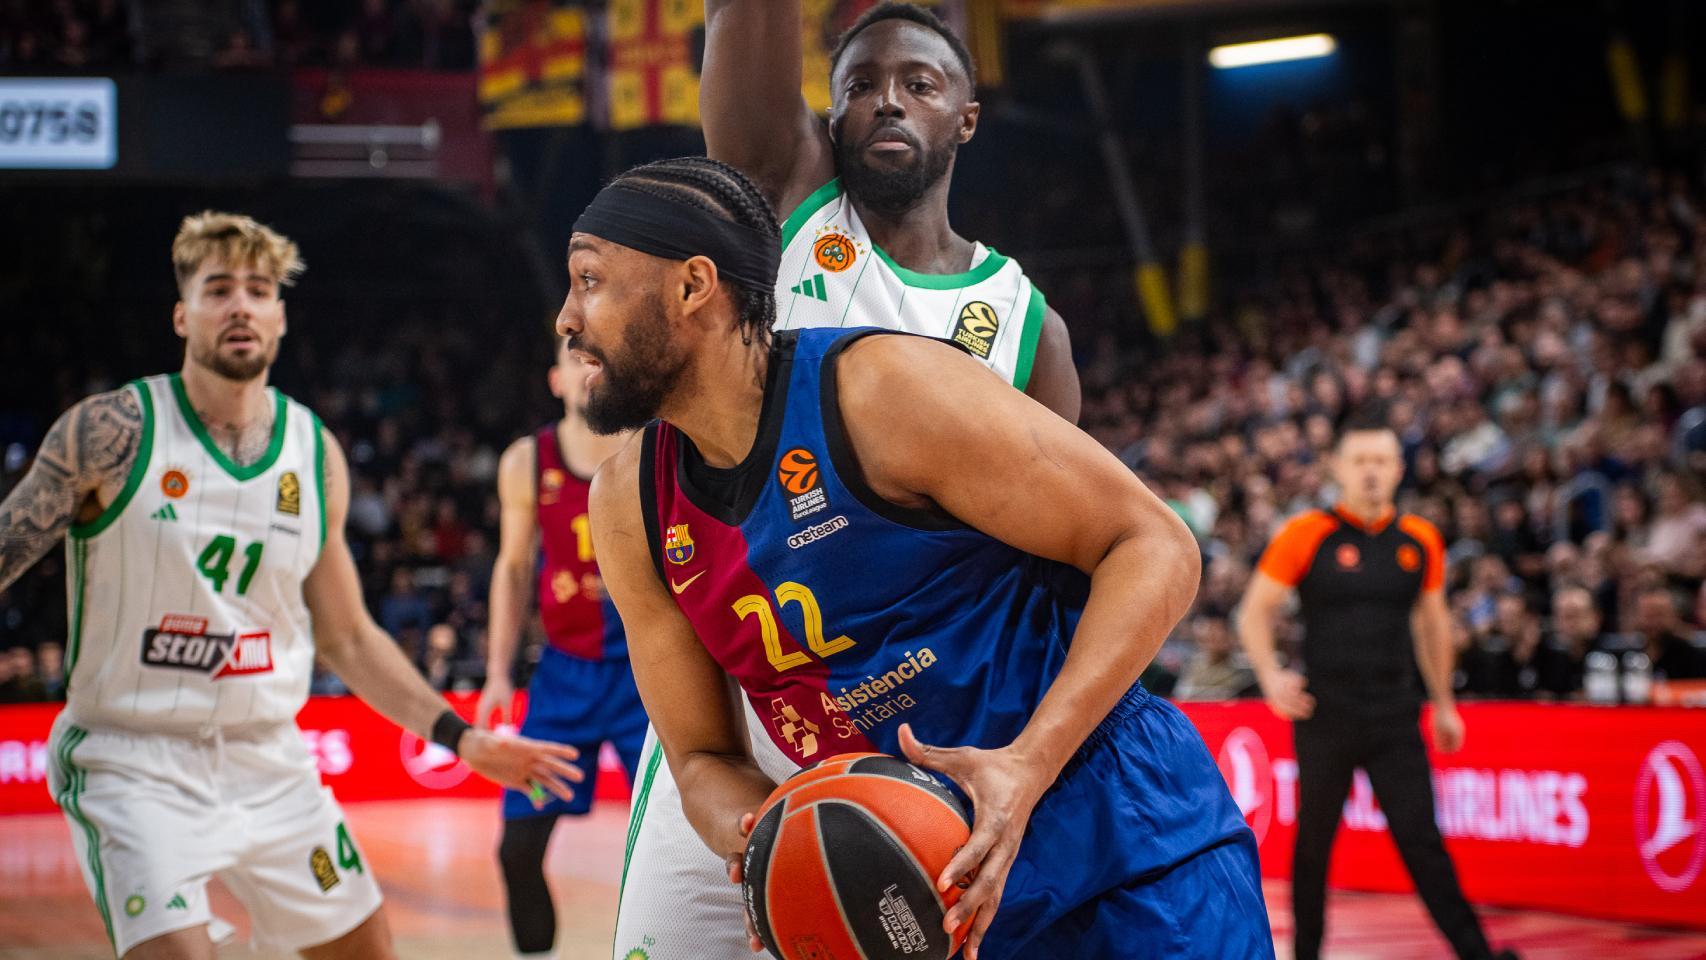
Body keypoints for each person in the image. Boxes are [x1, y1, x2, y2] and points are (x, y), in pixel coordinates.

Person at [567, 158, 1270, 959]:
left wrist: (1027, 767)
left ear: (694, 286)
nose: (566, 317)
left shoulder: (880, 391)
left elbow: (1156, 544)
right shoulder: (628, 505)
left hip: (1110, 829)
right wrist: (772, 841)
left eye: (589, 279)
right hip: (921, 887)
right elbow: (701, 755)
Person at [613, 5, 1082, 955]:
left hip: (914, 745)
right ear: (829, 122)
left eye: (918, 83)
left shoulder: (1026, 323)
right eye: (860, 86)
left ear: (967, 117)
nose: (887, 102)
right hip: (742, 709)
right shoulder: (789, 205)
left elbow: (1048, 569)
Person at [0, 211, 582, 960]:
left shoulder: (312, 452)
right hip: (132, 759)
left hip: (268, 759)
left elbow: (347, 636)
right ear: (183, 315)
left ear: (279, 316)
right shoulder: (112, 433)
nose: (240, 304)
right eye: (218, 289)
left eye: (257, 289)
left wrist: (462, 738)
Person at [1236, 414, 1516, 960]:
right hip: (1325, 717)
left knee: (1423, 844)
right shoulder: (1306, 533)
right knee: (1313, 848)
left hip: (1395, 716)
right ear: (1338, 467)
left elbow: (1432, 625)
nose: (1370, 471)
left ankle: (1479, 956)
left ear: (1398, 469)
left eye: (1381, 461)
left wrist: (1444, 704)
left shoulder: (1420, 539)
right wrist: (1271, 674)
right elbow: (1255, 612)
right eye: (1360, 460)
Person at [475, 338, 648, 960]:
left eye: (599, 356)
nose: (587, 369)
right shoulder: (527, 460)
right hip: (562, 681)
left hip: (649, 677)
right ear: (556, 379)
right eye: (576, 358)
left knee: (680, 846)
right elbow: (513, 567)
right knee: (517, 848)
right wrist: (497, 673)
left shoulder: (653, 444)